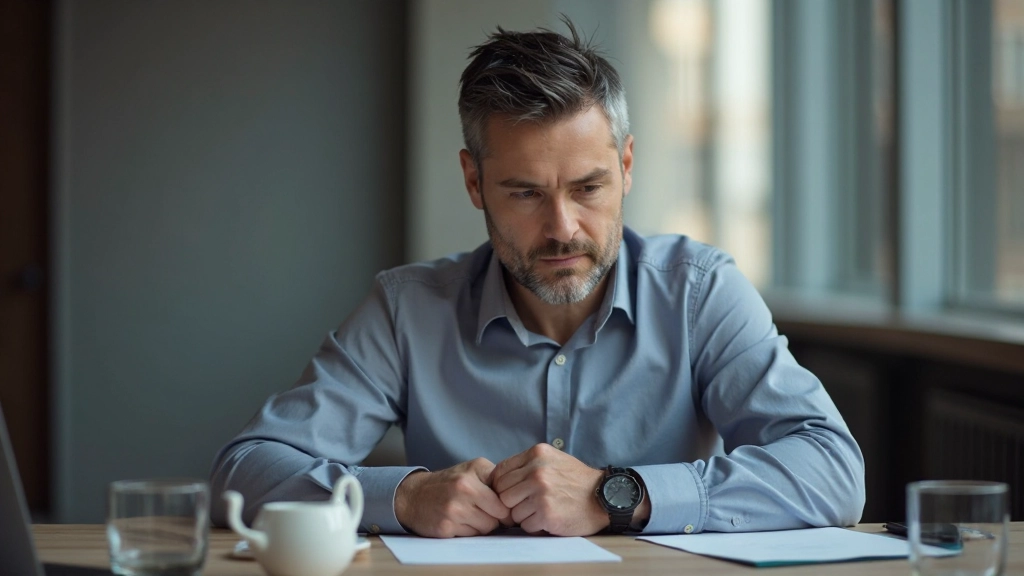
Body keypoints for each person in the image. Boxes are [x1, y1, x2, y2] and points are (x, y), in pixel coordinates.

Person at [209, 18, 865, 538]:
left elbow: (832, 472)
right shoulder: (408, 311)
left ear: (627, 166)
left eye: (589, 187)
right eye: (525, 193)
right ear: (474, 181)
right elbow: (244, 474)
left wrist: (623, 495)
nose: (562, 229)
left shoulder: (700, 292)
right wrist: (402, 496)